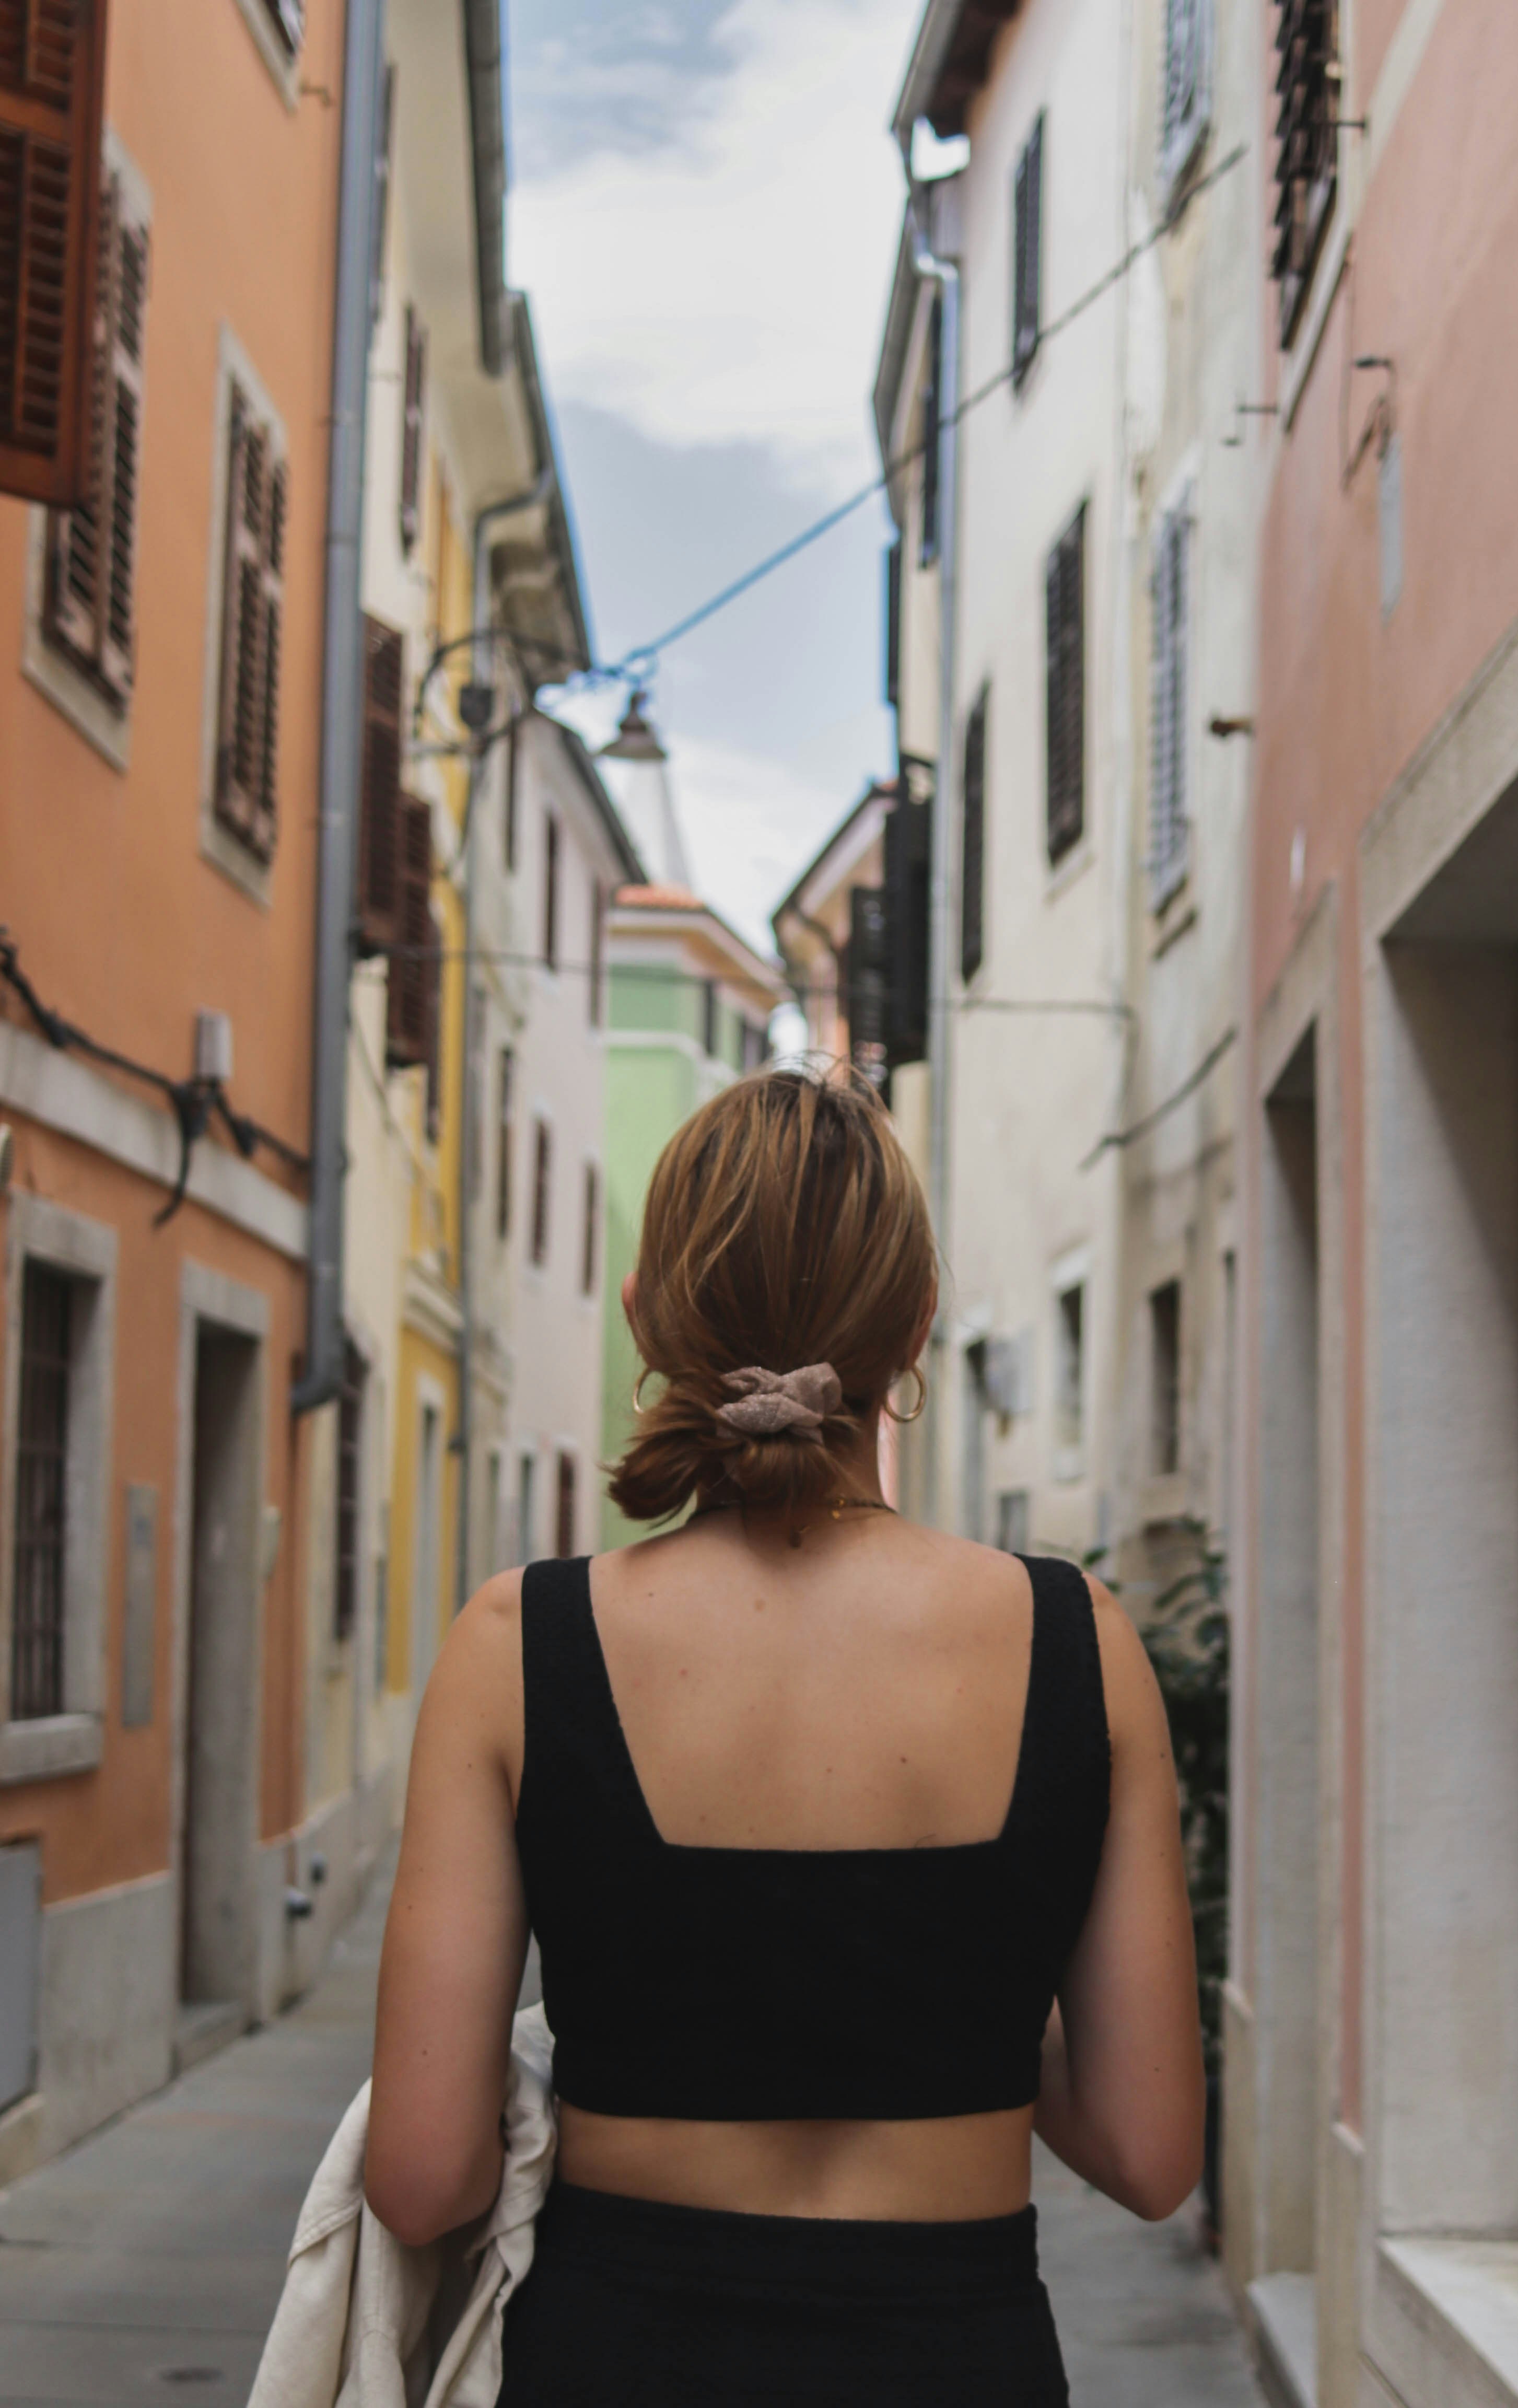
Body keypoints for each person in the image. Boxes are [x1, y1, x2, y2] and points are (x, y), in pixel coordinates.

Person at [366, 1067, 1203, 2405]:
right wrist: (942, 1994)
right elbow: (1151, 2151)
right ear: (917, 1323)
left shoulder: (515, 1645)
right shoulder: (1079, 1641)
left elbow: (420, 2180)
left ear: (647, 1317)